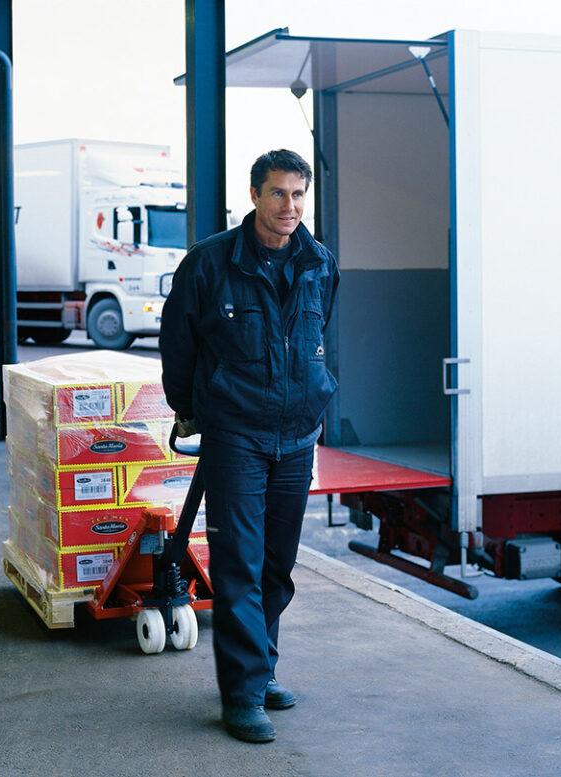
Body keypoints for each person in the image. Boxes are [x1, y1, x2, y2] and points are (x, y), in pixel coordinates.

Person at [159, 148, 339, 743]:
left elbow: (315, 339)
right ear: (255, 196)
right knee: (238, 562)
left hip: (296, 436)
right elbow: (179, 345)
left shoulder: (319, 264)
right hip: (235, 434)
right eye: (278, 194)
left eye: (298, 195)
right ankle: (241, 695)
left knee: (277, 565)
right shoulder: (209, 264)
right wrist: (188, 410)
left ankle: (260, 674)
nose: (290, 207)